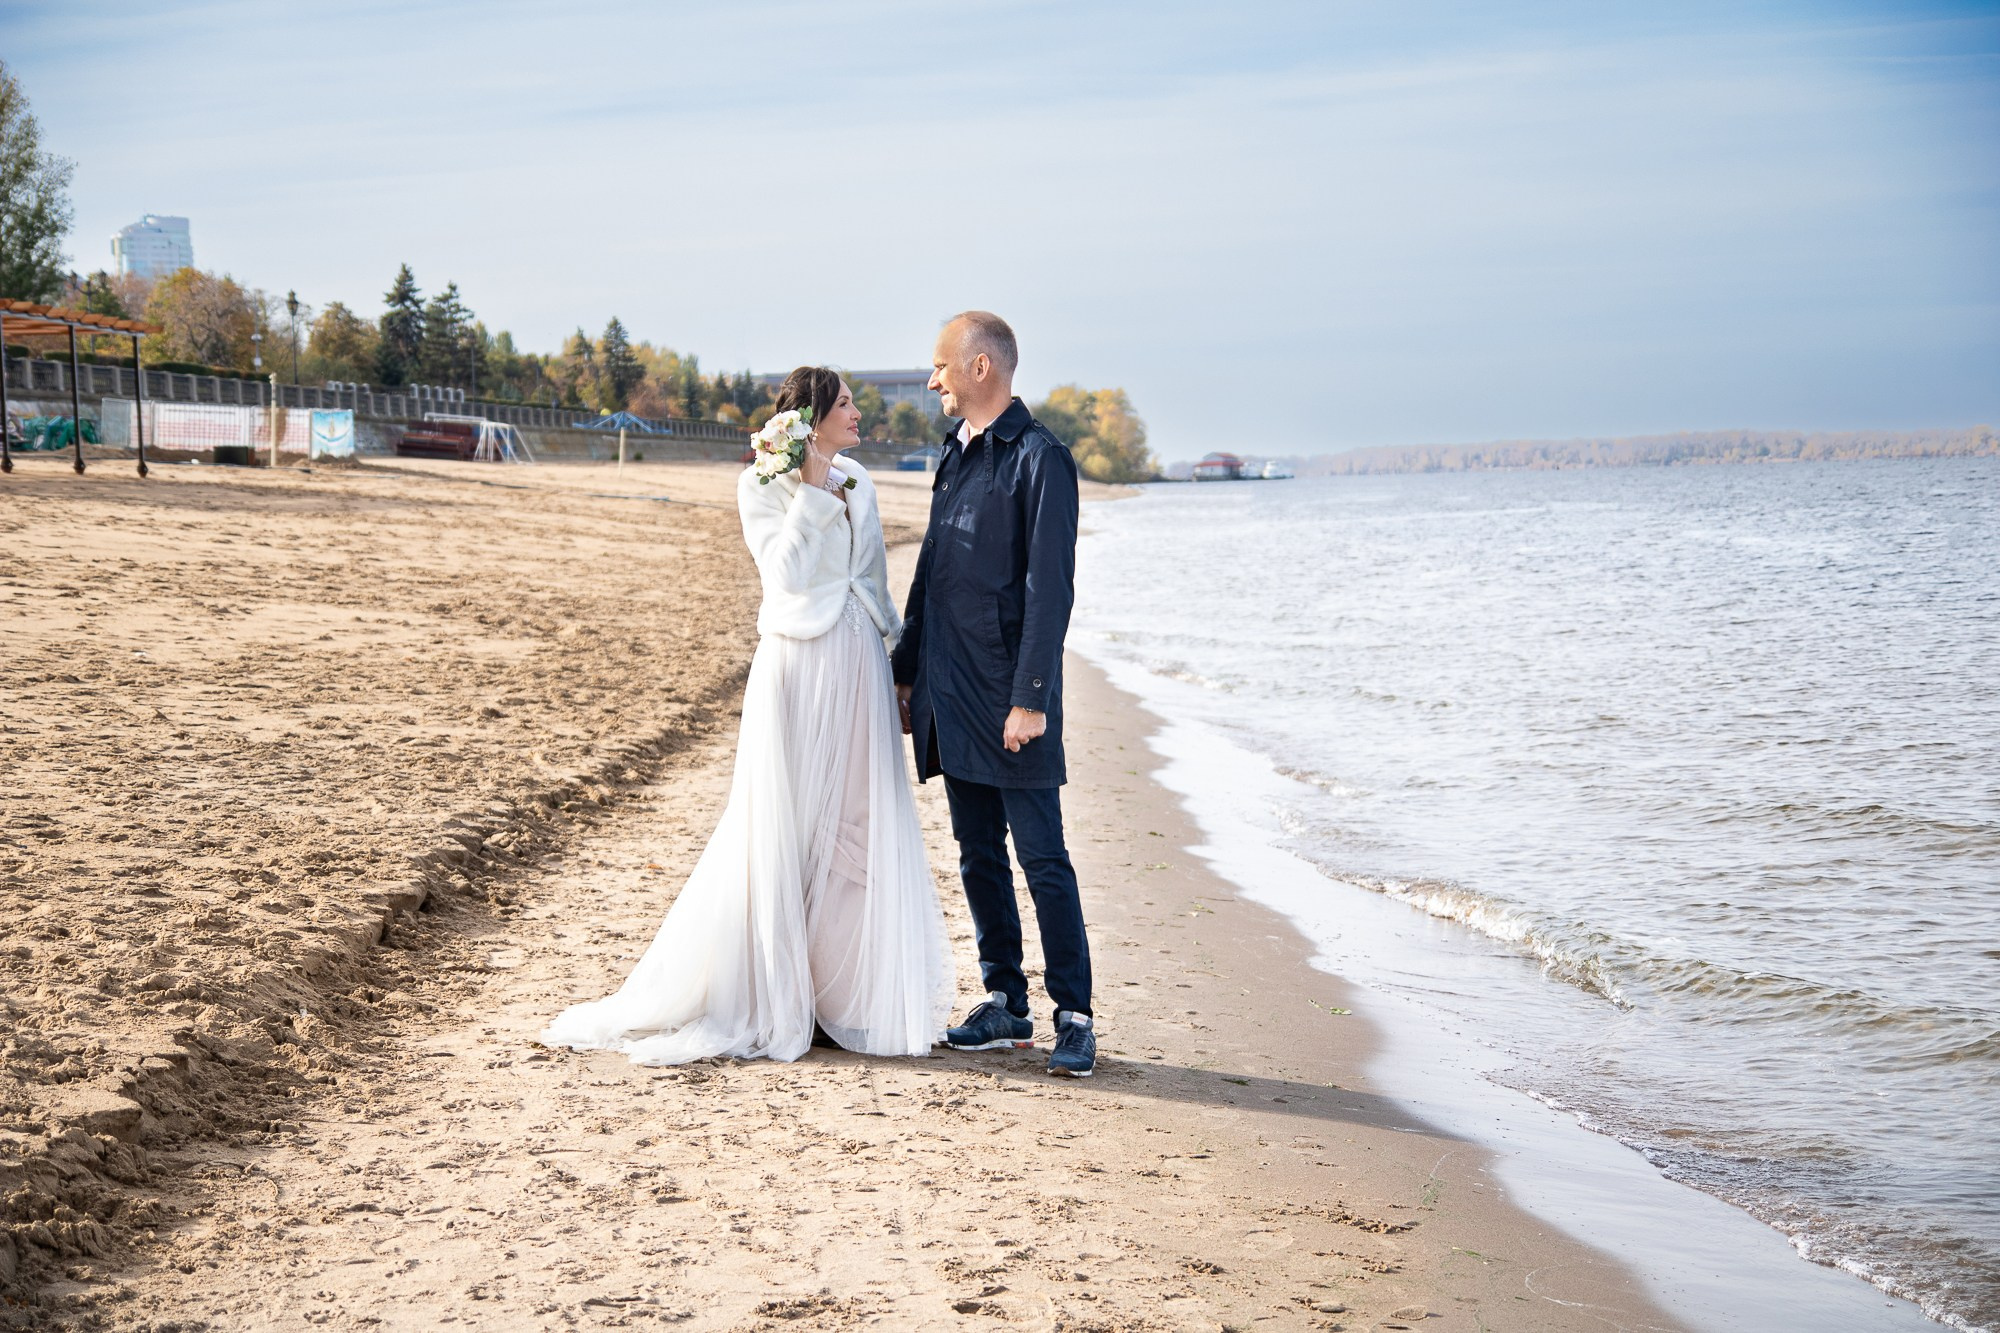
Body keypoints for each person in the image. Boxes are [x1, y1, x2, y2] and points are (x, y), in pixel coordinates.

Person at [542, 368, 953, 1065]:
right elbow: (784, 574)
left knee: (855, 822)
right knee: (788, 823)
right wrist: (811, 493)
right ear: (812, 419)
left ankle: (842, 998)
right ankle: (779, 991)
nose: (858, 412)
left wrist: (896, 666)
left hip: (860, 666)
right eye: (846, 403)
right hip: (798, 665)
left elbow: (872, 580)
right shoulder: (761, 486)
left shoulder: (860, 479)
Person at [892, 311, 1096, 1078]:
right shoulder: (954, 452)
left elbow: (1051, 590)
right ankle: (1005, 999)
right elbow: (931, 569)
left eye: (940, 365)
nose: (932, 380)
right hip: (951, 688)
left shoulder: (1041, 459)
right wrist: (906, 668)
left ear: (981, 367)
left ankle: (1074, 1014)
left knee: (1042, 858)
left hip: (1012, 700)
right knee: (978, 853)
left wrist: (1031, 698)